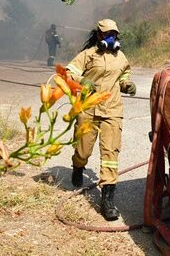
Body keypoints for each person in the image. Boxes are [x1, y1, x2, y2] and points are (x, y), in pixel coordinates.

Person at [65, 19, 137, 221]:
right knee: (83, 149)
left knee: (110, 153)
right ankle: (78, 166)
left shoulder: (120, 57)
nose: (110, 37)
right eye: (106, 34)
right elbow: (69, 74)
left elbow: (124, 75)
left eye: (114, 34)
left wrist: (126, 85)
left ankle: (107, 201)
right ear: (98, 35)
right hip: (88, 108)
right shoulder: (87, 55)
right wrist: (82, 81)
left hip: (112, 110)